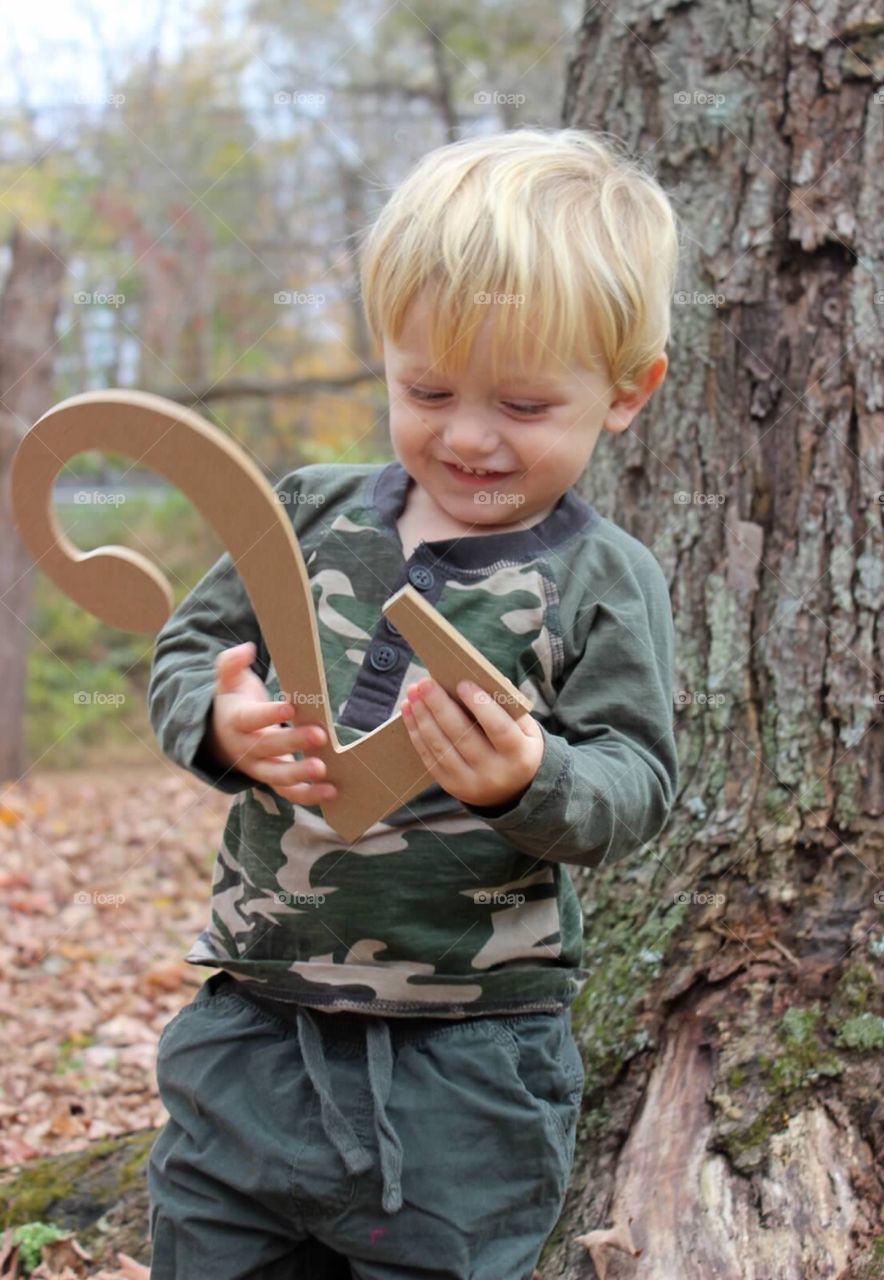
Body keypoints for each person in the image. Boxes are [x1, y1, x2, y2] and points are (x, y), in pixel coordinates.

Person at [146, 125, 681, 1279]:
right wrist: (221, 723)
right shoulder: (307, 512)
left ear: (625, 393)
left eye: (523, 403)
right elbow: (187, 647)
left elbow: (635, 781)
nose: (467, 435)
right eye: (426, 389)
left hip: (469, 1060)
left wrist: (529, 776)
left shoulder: (599, 580)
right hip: (255, 1022)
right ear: (383, 355)